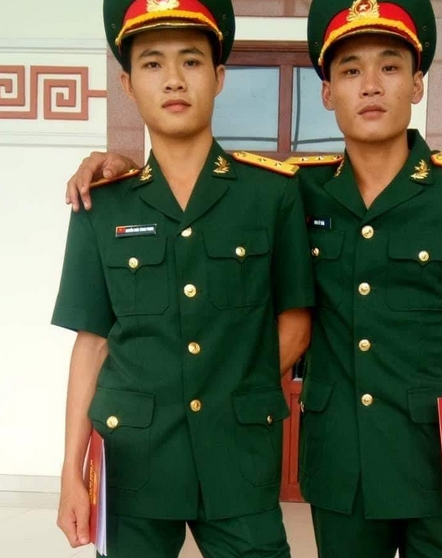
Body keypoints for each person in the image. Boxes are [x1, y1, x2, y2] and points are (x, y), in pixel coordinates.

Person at [65, 1, 442, 556]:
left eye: (390, 66)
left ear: (418, 82)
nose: (371, 86)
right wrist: (115, 163)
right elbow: (194, 189)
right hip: (342, 460)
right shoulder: (300, 189)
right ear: (328, 93)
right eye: (351, 71)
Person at [52, 1, 314, 557]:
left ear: (218, 78)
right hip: (133, 459)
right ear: (127, 84)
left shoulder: (271, 194)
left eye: (191, 61)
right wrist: (71, 471)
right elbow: (92, 343)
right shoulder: (102, 205)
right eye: (152, 63)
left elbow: (295, 324)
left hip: (238, 458)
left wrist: (234, 394)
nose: (173, 79)